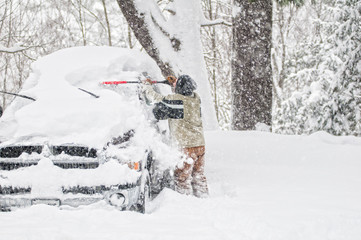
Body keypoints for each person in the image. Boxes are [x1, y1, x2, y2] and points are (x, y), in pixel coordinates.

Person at [142, 75, 208, 198]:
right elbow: (182, 93)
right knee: (198, 176)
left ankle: (185, 202)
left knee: (182, 178)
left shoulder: (177, 101)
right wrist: (174, 83)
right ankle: (203, 198)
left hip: (186, 147)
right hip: (200, 145)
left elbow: (155, 98)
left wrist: (146, 85)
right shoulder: (196, 99)